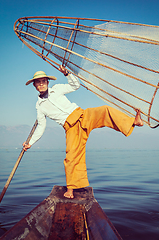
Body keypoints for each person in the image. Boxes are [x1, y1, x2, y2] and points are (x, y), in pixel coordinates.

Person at [23, 65, 143, 199]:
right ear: (34, 86)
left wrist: (67, 74)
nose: (41, 84)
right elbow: (41, 126)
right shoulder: (39, 106)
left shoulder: (56, 89)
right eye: (38, 82)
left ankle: (134, 122)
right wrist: (30, 143)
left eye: (43, 81)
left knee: (105, 110)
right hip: (71, 128)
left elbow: (75, 86)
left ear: (47, 82)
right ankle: (71, 189)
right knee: (71, 156)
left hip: (82, 115)